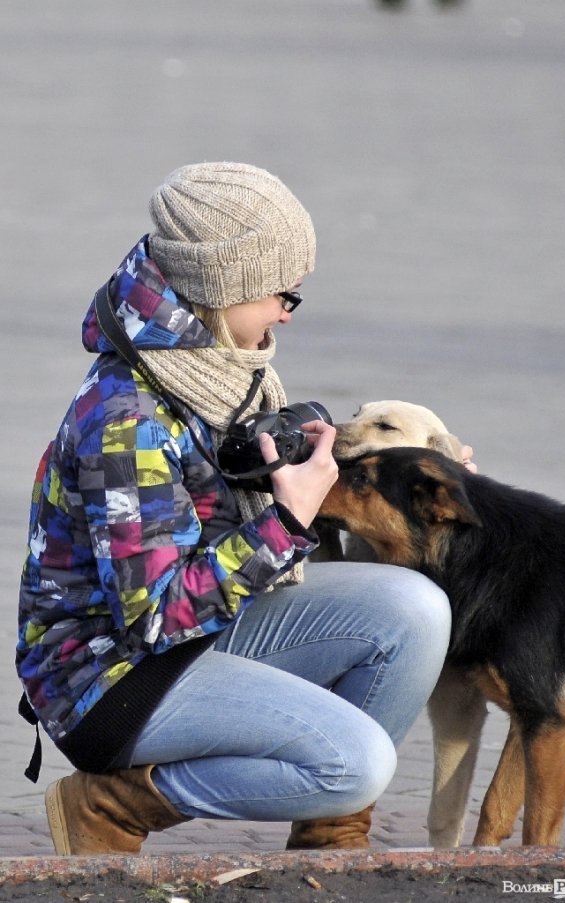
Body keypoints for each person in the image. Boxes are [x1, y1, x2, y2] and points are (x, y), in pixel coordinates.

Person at [17, 162, 459, 855]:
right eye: (282, 293)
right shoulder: (129, 421)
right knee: (355, 762)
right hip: (110, 675)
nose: (287, 312)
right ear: (224, 287)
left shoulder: (209, 367)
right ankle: (109, 805)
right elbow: (155, 616)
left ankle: (330, 843)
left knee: (416, 610)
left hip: (201, 628)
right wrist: (284, 523)